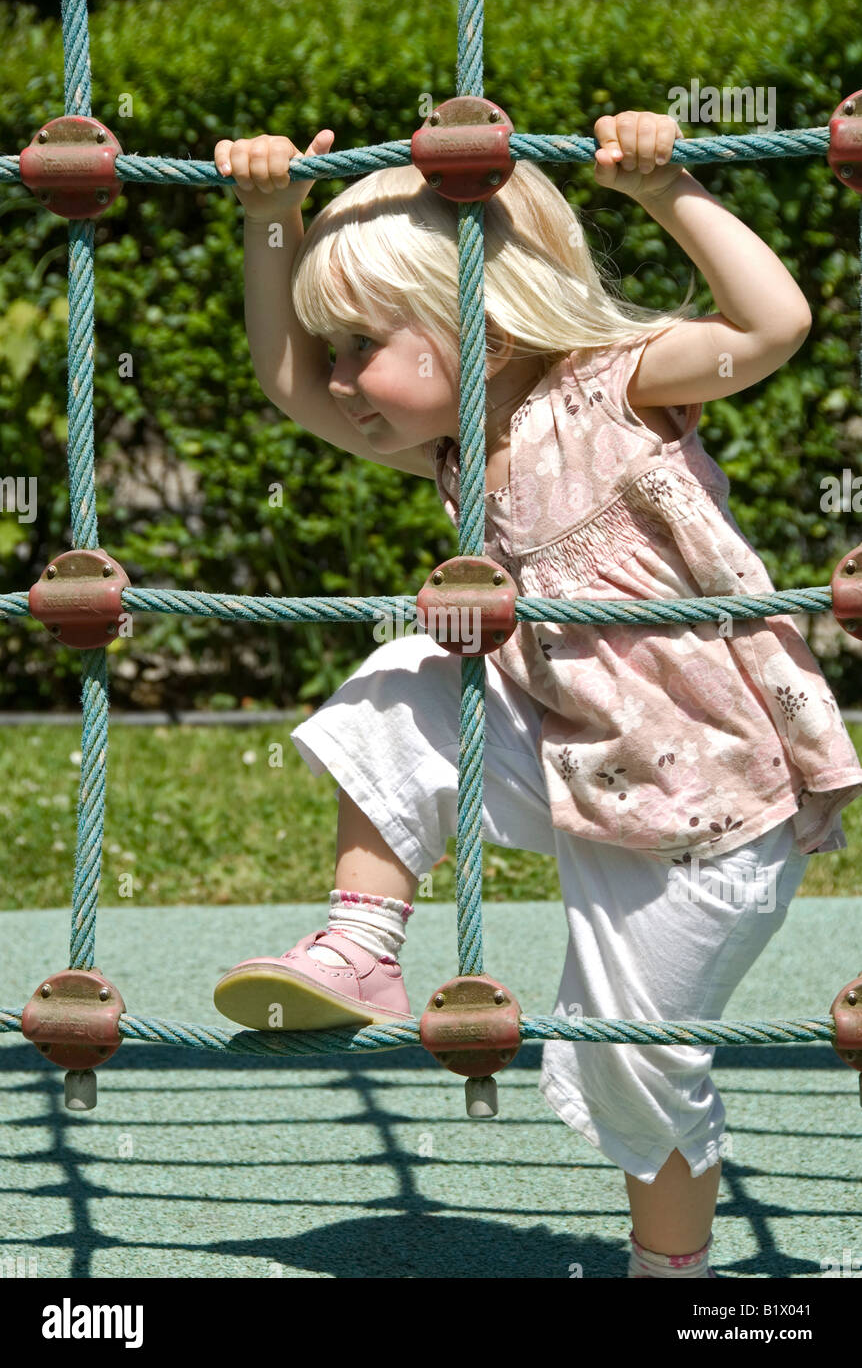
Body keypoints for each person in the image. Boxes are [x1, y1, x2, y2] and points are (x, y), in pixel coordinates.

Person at [210, 112, 862, 1278]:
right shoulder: (462, 449)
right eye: (337, 348)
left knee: (633, 1063)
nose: (342, 380)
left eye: (361, 342)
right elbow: (285, 387)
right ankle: (363, 940)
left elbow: (773, 326)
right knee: (402, 677)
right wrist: (272, 224)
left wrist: (668, 189)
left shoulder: (614, 391)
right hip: (570, 756)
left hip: (715, 810)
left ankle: (675, 1278)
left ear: (479, 308)